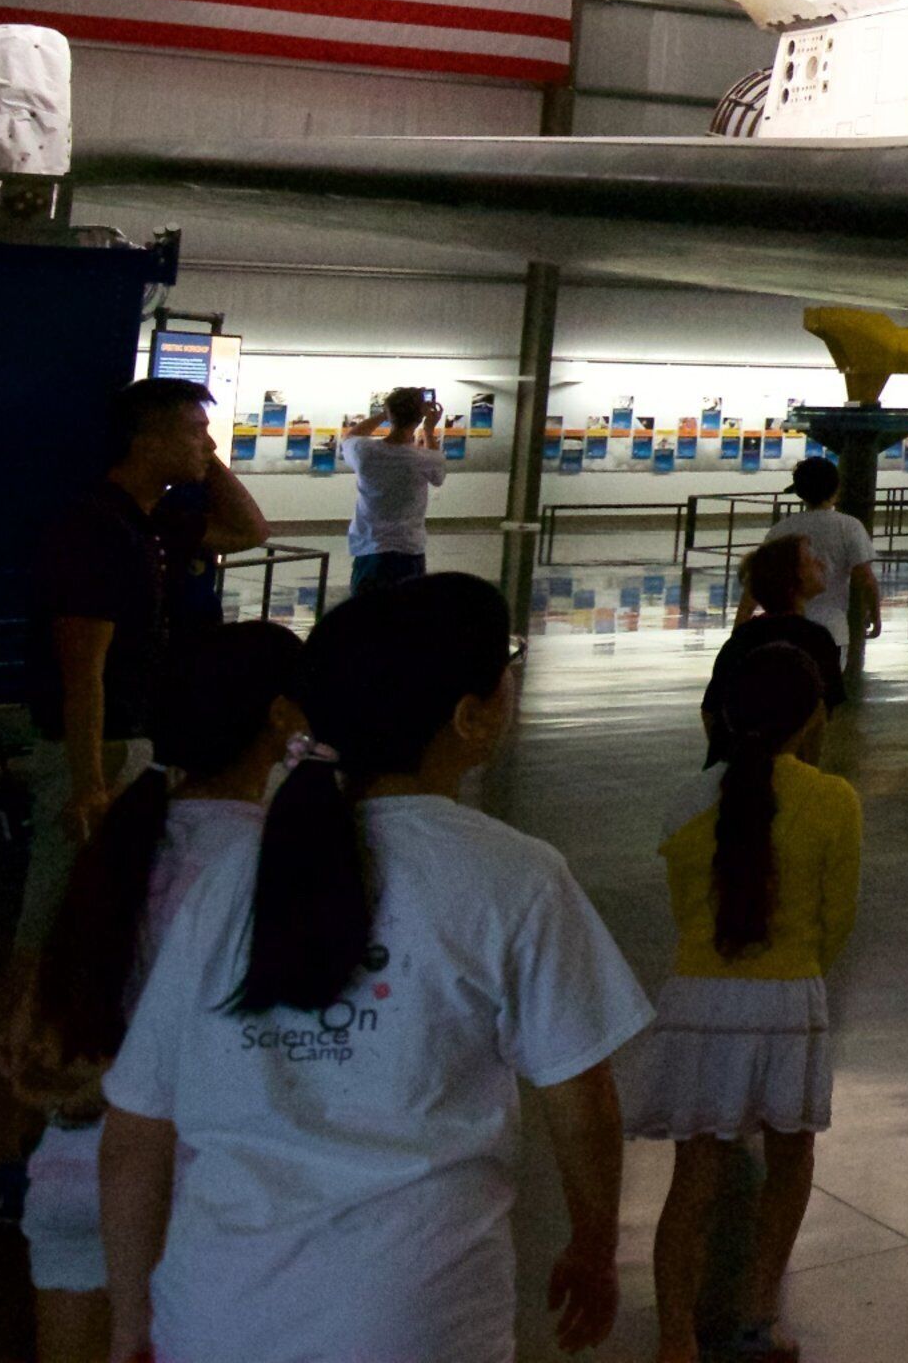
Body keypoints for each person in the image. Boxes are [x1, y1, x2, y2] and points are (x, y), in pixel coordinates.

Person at [100, 573, 654, 1363]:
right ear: (470, 717)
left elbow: (136, 1129)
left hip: (215, 1309)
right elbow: (582, 1103)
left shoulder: (231, 875)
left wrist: (130, 1326)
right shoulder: (513, 876)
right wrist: (595, 1248)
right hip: (416, 1314)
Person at [0, 622, 296, 1363]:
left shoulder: (121, 841)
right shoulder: (265, 862)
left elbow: (33, 1038)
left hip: (71, 1167)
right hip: (181, 1187)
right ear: (283, 719)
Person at [616, 643, 862, 1363]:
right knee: (790, 1159)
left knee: (694, 1177)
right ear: (812, 718)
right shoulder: (834, 801)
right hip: (790, 1000)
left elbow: (685, 910)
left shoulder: (685, 803)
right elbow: (836, 920)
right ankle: (759, 1314)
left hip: (698, 1001)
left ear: (720, 716)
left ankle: (673, 1339)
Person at [21, 379, 264, 953]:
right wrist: (89, 787)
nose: (208, 444)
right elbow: (84, 672)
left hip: (132, 739)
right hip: (98, 747)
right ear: (146, 442)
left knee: (104, 910)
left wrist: (205, 464)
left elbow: (252, 531)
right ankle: (19, 1028)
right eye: (195, 432)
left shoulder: (151, 522)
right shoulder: (98, 529)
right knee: (57, 912)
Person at [703, 538, 845, 764]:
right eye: (810, 561)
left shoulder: (742, 637)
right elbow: (819, 714)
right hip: (788, 772)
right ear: (793, 580)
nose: (821, 564)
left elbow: (710, 711)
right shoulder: (816, 640)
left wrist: (734, 762)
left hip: (736, 774)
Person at [758, 456, 879, 657]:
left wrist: (741, 624)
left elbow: (759, 579)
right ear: (836, 489)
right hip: (832, 631)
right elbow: (864, 577)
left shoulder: (780, 530)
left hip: (787, 630)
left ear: (798, 491)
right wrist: (874, 613)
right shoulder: (849, 527)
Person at [340, 387, 448, 595]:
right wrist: (428, 430)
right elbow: (438, 476)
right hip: (409, 549)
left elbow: (351, 436)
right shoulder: (425, 459)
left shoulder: (364, 451)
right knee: (405, 617)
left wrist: (385, 413)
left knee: (366, 615)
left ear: (390, 414)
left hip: (369, 548)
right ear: (420, 418)